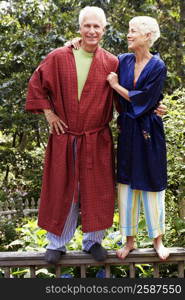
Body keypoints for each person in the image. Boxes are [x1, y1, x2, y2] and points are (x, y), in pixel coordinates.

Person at [25, 6, 119, 264]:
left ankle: (94, 241)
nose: (91, 31)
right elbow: (36, 84)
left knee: (97, 189)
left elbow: (125, 94)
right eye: (87, 26)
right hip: (65, 135)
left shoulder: (111, 62)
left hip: (96, 138)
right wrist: (49, 114)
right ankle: (57, 243)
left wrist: (150, 105)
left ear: (104, 30)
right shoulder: (58, 57)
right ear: (79, 28)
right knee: (63, 185)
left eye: (96, 26)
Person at [107, 16, 169, 260]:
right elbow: (98, 59)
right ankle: (129, 240)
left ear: (147, 36)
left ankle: (158, 241)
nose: (128, 35)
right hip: (128, 131)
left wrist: (116, 86)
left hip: (150, 132)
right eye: (129, 30)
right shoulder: (122, 61)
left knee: (153, 182)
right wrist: (75, 43)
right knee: (126, 184)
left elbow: (144, 99)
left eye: (133, 31)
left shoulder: (158, 66)